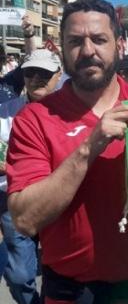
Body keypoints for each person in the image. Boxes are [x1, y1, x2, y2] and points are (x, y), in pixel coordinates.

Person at [6, 0, 128, 303]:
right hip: (72, 291)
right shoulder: (34, 119)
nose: (88, 51)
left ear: (120, 45)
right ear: (60, 48)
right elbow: (24, 219)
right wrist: (90, 146)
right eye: (75, 41)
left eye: (99, 39)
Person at [0, 49, 63, 304]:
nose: (36, 78)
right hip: (15, 202)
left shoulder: (72, 113)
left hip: (58, 200)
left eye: (44, 73)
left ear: (58, 76)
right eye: (30, 72)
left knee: (59, 271)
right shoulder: (5, 113)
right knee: (19, 275)